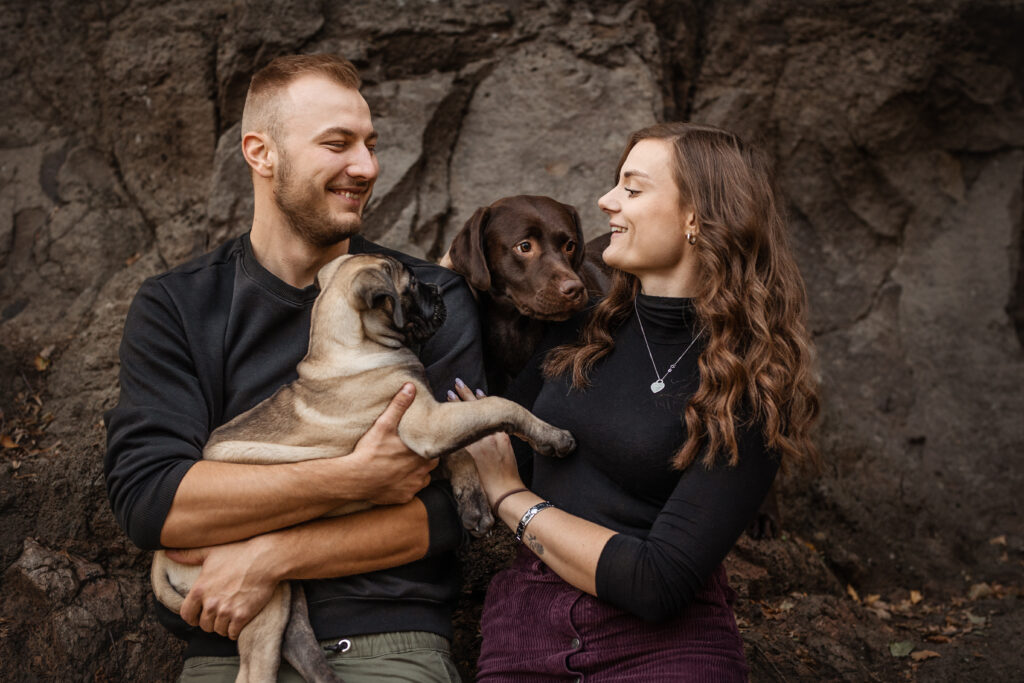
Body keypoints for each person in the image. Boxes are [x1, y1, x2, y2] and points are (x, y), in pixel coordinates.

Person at [104, 54, 485, 682]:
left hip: (386, 645)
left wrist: (270, 557)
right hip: (230, 647)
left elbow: (452, 513)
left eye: (370, 144)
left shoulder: (426, 299)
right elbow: (154, 503)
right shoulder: (178, 305)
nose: (366, 167)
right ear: (261, 153)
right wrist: (357, 479)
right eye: (337, 144)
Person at [449, 122, 820, 681]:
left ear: (695, 218)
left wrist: (508, 497)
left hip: (664, 650)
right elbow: (481, 439)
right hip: (523, 634)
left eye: (632, 188)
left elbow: (658, 582)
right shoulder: (575, 329)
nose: (604, 202)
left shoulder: (751, 379)